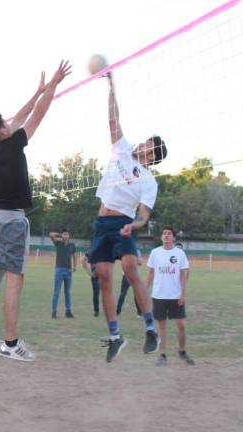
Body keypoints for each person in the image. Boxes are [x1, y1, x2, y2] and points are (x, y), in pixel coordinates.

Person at [0, 60, 72, 362]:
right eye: (4, 122)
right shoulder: (14, 144)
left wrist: (37, 91)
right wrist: (55, 84)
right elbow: (38, 114)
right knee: (15, 278)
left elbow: (20, 115)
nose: (9, 121)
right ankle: (11, 343)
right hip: (11, 220)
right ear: (3, 132)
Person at [89, 72, 167, 363]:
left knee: (132, 270)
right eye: (146, 141)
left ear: (152, 156)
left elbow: (143, 216)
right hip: (101, 223)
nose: (143, 144)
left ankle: (150, 329)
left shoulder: (148, 180)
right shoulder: (121, 150)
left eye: (149, 145)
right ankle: (114, 336)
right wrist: (112, 88)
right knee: (104, 279)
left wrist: (132, 226)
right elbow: (113, 120)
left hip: (123, 224)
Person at [146, 226, 195, 366]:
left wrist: (183, 294)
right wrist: (144, 290)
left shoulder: (179, 254)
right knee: (162, 327)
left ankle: (182, 350)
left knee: (181, 325)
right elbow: (151, 273)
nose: (166, 236)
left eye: (169, 234)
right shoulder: (155, 252)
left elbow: (183, 275)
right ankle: (162, 354)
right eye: (164, 234)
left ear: (173, 237)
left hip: (175, 296)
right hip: (159, 295)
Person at [49, 228, 77, 319]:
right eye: (64, 234)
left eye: (67, 234)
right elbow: (51, 235)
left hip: (68, 271)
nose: (65, 236)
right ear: (62, 235)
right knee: (56, 292)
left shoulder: (72, 245)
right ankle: (54, 312)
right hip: (59, 270)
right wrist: (59, 234)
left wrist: (75, 267)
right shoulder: (58, 243)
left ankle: (68, 312)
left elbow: (74, 256)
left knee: (67, 292)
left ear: (69, 236)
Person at [116, 248, 144, 316]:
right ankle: (118, 311)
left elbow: (140, 263)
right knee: (123, 294)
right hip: (128, 275)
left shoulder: (136, 250)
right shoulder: (126, 250)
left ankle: (139, 313)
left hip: (132, 275)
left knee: (135, 294)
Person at [80, 253, 100, 317]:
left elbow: (82, 260)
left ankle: (96, 311)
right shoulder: (103, 249)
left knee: (96, 294)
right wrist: (90, 273)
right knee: (105, 293)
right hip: (100, 274)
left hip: (96, 275)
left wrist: (90, 273)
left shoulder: (92, 250)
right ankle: (97, 310)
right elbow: (82, 260)